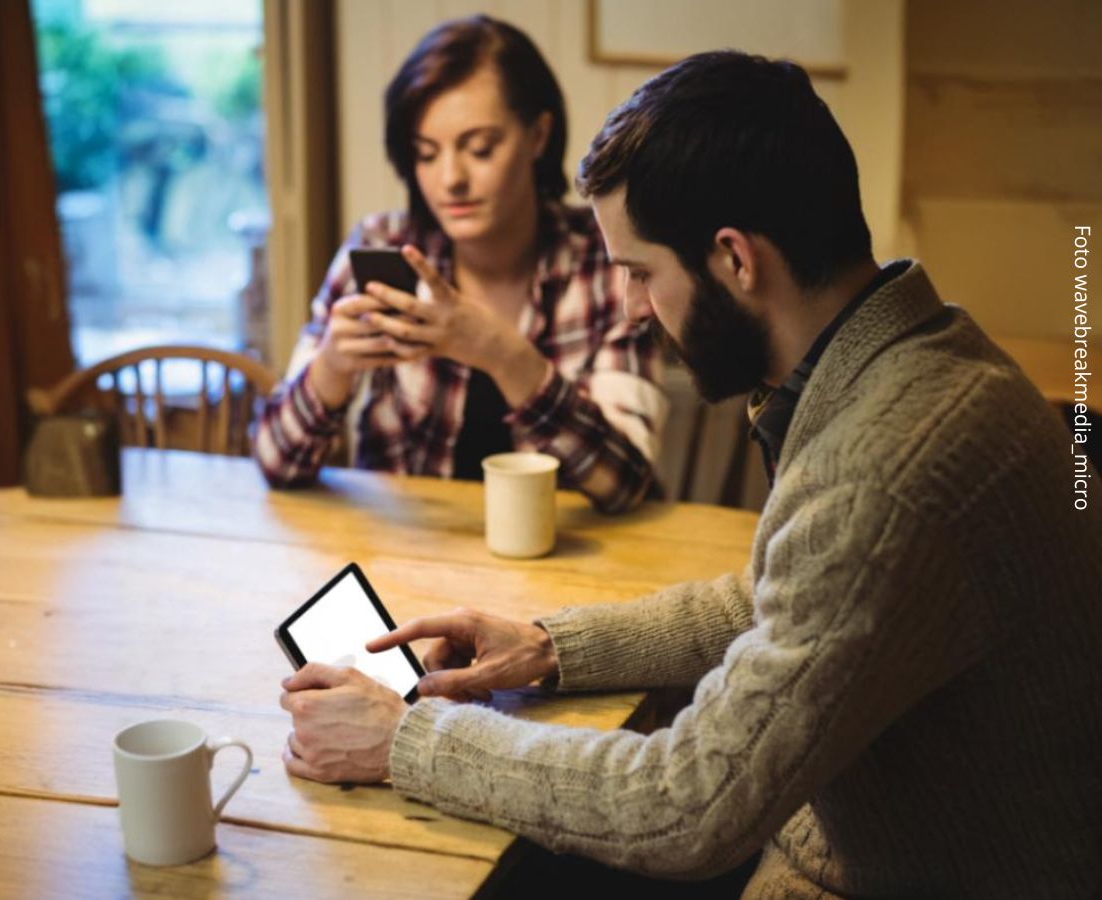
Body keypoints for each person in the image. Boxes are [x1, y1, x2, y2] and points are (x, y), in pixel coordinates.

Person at [277, 50, 1102, 897]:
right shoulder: (906, 358)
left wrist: (406, 744)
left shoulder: (881, 474)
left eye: (640, 274)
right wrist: (548, 646)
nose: (633, 307)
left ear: (735, 260)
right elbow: (778, 597)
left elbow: (686, 805)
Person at [253, 16, 665, 513]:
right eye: (426, 154)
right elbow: (274, 462)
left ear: (538, 134)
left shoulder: (602, 260)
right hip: (409, 557)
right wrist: (332, 369)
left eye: (479, 149)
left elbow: (624, 483)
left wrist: (500, 353)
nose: (451, 179)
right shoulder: (385, 245)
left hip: (566, 565)